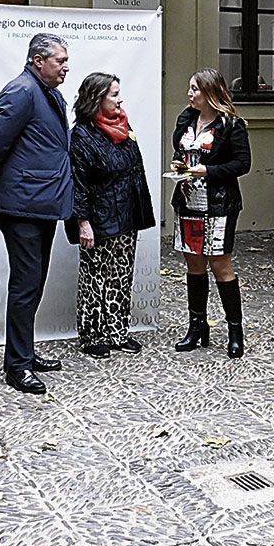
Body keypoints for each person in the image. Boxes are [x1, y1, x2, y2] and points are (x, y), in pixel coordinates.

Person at [0, 32, 74, 395]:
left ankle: (24, 353)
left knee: (33, 282)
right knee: (25, 284)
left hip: (40, 202)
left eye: (66, 60)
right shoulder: (21, 91)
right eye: (60, 60)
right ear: (37, 61)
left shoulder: (47, 92)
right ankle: (17, 366)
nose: (66, 67)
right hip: (21, 205)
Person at [68, 72, 155, 359]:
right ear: (97, 98)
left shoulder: (123, 126)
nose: (120, 100)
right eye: (114, 95)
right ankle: (92, 335)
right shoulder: (81, 135)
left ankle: (117, 332)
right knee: (94, 278)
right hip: (99, 219)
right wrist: (83, 223)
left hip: (127, 215)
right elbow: (78, 183)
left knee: (121, 275)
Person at [170, 69, 252, 358]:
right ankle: (197, 327)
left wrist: (209, 170)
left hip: (219, 203)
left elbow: (242, 163)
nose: (189, 94)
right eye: (190, 88)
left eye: (195, 89)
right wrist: (181, 166)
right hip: (188, 201)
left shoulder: (231, 124)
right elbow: (180, 151)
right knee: (194, 263)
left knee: (220, 264)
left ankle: (235, 331)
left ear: (210, 92)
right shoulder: (186, 118)